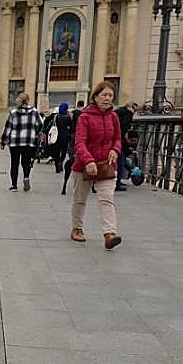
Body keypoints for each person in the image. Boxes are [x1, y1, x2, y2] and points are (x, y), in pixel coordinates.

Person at [69, 81, 124, 249]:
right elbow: (79, 142)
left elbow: (117, 139)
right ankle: (77, 228)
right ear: (95, 97)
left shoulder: (113, 117)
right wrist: (88, 160)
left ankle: (109, 234)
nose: (107, 99)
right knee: (80, 199)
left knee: (107, 199)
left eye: (110, 96)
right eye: (104, 95)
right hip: (84, 165)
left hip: (106, 164)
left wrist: (115, 150)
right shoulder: (85, 117)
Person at [0, 92, 41, 191]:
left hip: (15, 142)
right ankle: (26, 177)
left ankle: (14, 185)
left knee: (14, 163)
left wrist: (3, 141)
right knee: (26, 162)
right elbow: (40, 124)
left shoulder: (13, 112)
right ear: (28, 100)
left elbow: (8, 127)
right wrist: (34, 132)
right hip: (28, 141)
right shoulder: (34, 111)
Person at [114, 101, 139, 191]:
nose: (135, 112)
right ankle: (117, 183)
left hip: (116, 138)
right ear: (131, 107)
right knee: (120, 162)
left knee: (121, 160)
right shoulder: (126, 113)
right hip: (117, 139)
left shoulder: (119, 111)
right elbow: (124, 125)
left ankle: (117, 181)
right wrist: (130, 113)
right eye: (135, 109)